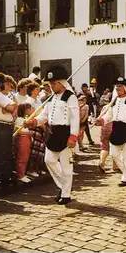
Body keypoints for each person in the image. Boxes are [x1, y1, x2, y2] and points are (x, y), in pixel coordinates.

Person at [26, 67, 79, 204]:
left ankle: (66, 195)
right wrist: (34, 121)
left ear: (61, 83)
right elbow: (44, 115)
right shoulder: (50, 98)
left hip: (66, 133)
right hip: (52, 133)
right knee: (49, 160)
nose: (51, 85)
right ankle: (63, 187)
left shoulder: (70, 97)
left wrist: (73, 135)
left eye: (54, 83)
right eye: (50, 83)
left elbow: (75, 118)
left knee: (66, 166)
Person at [96, 77, 126, 186]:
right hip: (116, 129)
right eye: (116, 86)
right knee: (113, 154)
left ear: (125, 88)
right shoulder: (114, 101)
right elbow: (109, 115)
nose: (118, 88)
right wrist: (102, 120)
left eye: (120, 86)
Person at [14, 103, 35, 183]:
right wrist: (29, 133)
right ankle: (20, 175)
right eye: (29, 109)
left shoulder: (24, 119)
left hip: (26, 139)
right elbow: (17, 131)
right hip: (22, 139)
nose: (30, 110)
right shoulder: (19, 120)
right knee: (22, 157)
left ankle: (23, 173)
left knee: (26, 157)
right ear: (25, 110)